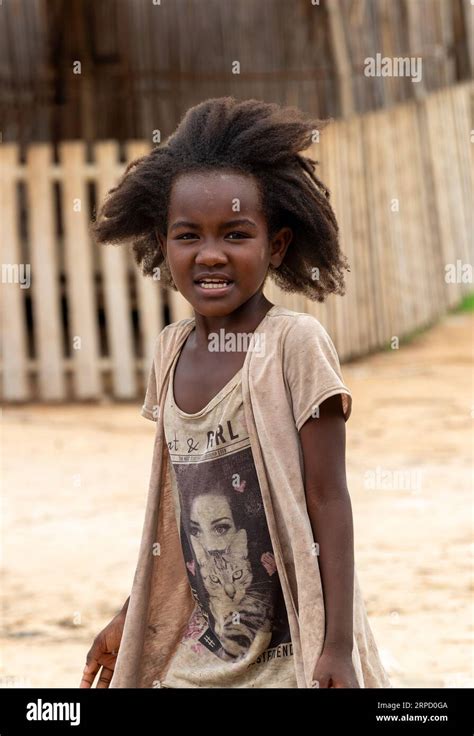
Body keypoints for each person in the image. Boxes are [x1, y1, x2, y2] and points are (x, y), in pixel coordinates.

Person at [80, 97, 390, 689]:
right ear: (162, 247)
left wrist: (338, 647)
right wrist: (131, 613)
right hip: (204, 644)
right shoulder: (171, 351)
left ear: (275, 246)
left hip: (290, 649)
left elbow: (329, 501)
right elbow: (174, 513)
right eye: (188, 235)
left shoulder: (294, 344)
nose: (211, 253)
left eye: (236, 234)